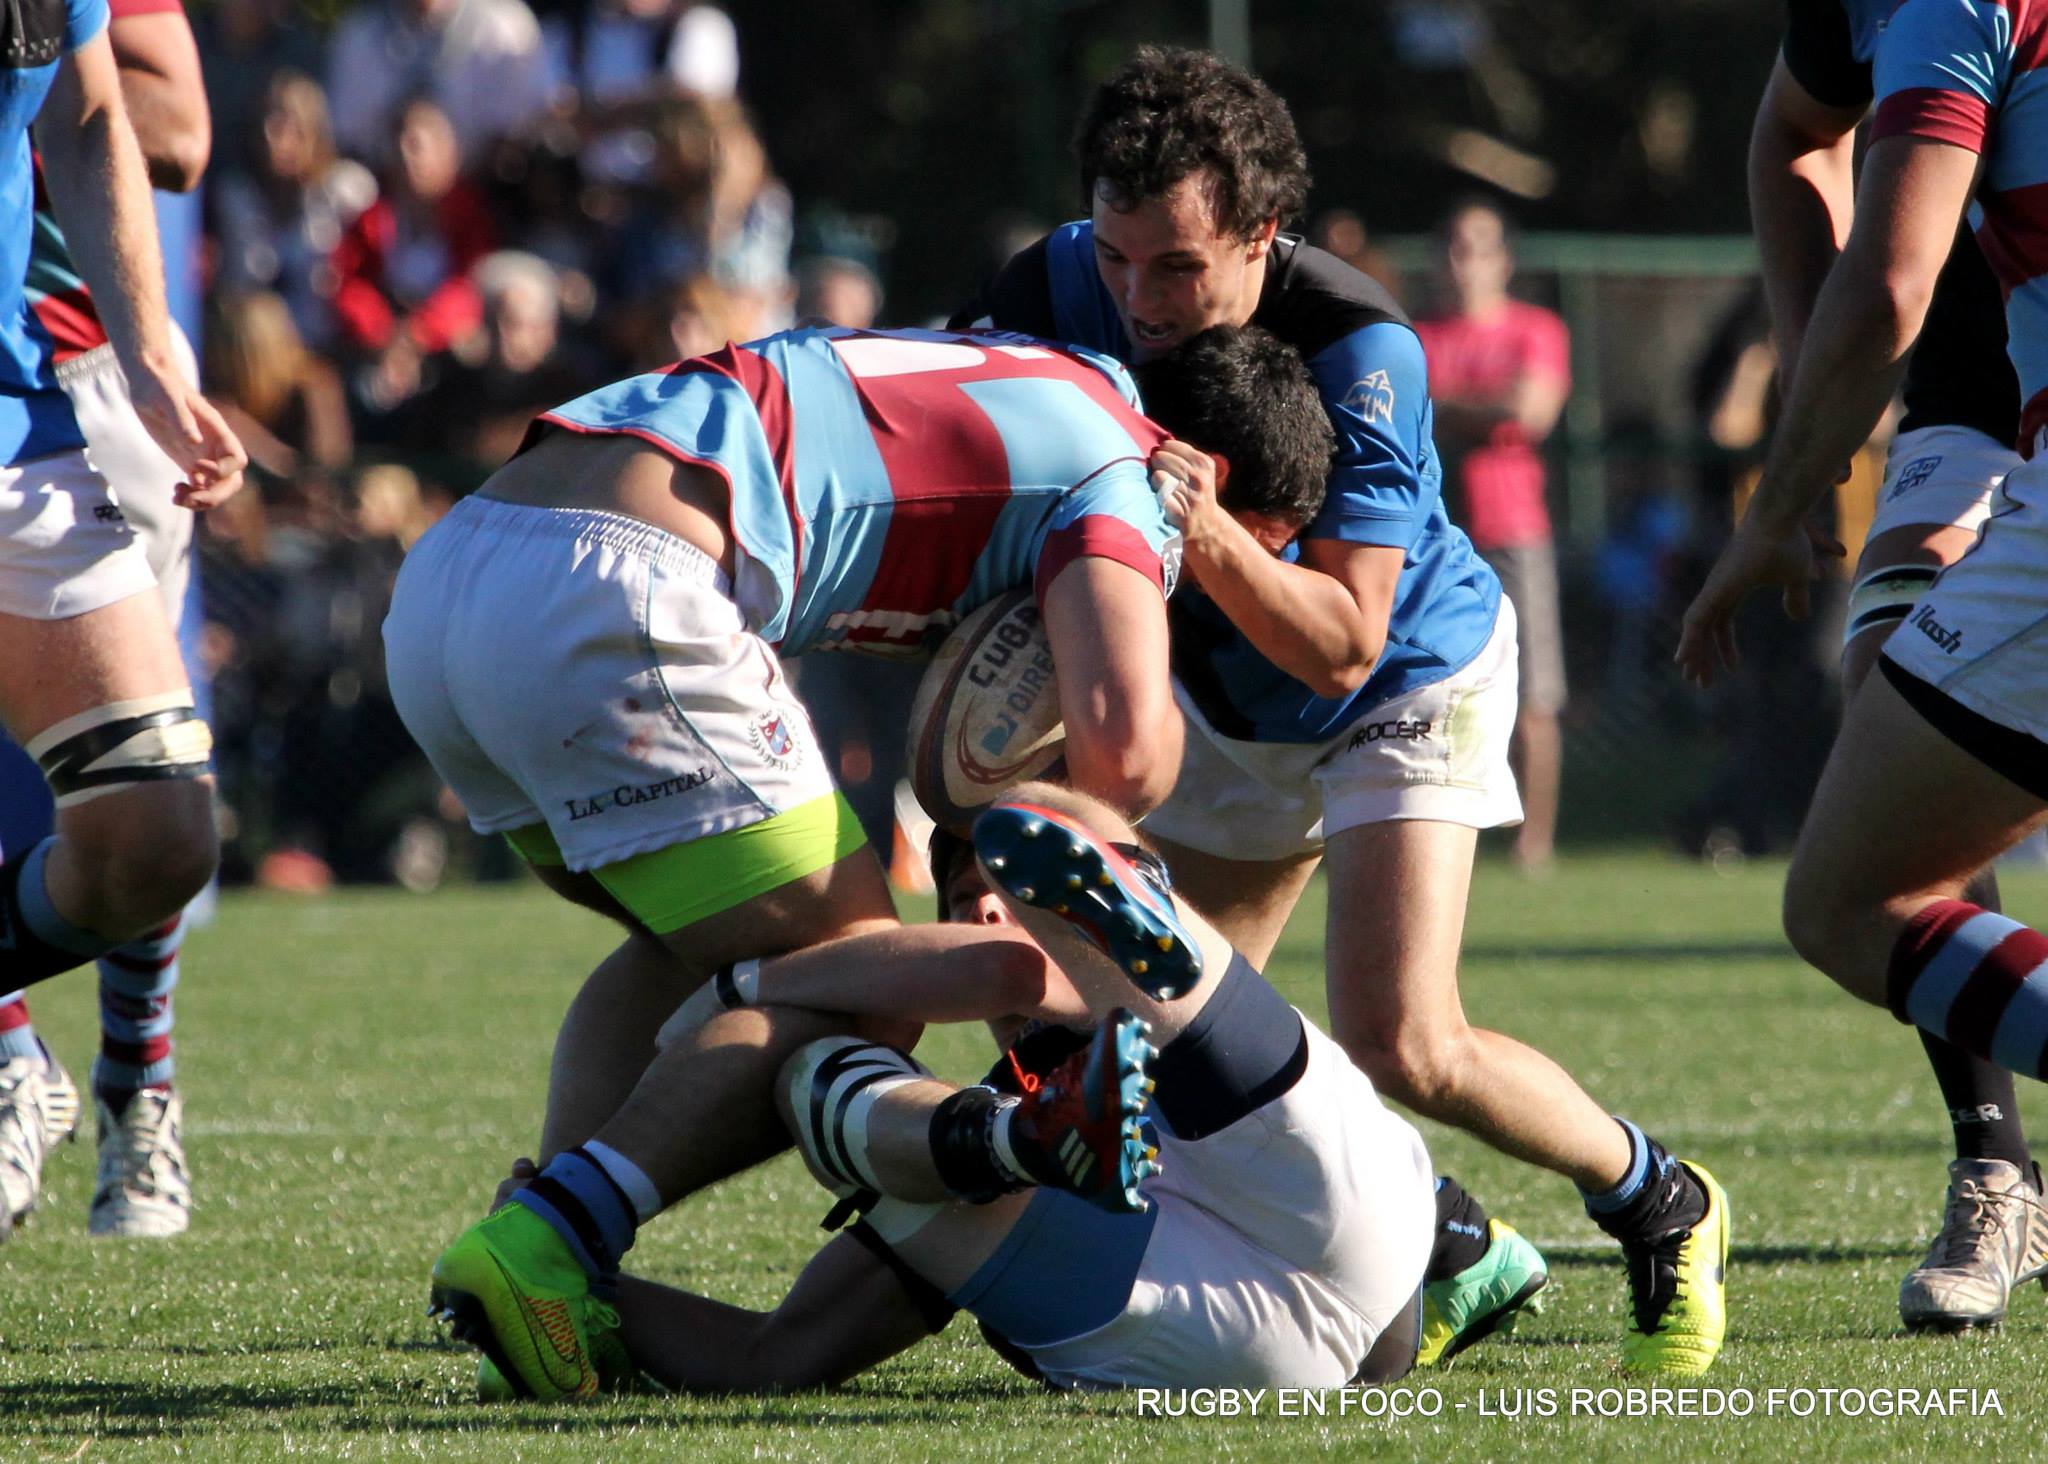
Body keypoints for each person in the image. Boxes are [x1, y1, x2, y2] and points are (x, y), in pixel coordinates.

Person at [954, 45, 1727, 1374]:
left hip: (1400, 677)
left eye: (1177, 267)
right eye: (1117, 255)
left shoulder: (1363, 344)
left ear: (1263, 234)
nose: (1136, 299)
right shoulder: (1050, 283)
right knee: (1155, 1033)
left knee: (1402, 1037)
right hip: (1222, 699)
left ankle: (1661, 1197)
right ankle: (1456, 1241)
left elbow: (1340, 643)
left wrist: (1198, 525)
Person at [389, 321, 1339, 1397]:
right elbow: (1126, 752)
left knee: (694, 942)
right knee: (863, 979)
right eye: (1233, 566)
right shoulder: (1137, 474)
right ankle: (553, 1237)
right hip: (621, 584)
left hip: (457, 569)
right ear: (1215, 484)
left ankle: (546, 1266)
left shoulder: (1057, 372)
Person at [453, 787, 1439, 1395]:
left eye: (1006, 893)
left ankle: (1094, 988)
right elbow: (777, 1356)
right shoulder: (931, 1131)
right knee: (858, 1095)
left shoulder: (1040, 983)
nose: (985, 911)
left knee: (826, 1068)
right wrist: (568, 1296)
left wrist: (741, 984)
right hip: (1260, 1305)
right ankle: (1033, 1128)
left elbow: (1007, 971)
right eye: (965, 899)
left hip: (1274, 1254)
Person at [1681, 0, 2048, 1334]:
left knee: (1852, 886)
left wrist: (1775, 503)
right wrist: (1819, 402)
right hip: (1968, 394)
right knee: (1895, 697)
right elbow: (1792, 135)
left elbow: (1887, 276)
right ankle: (1997, 1171)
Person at [0, 0, 248, 1252]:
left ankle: (133, 1078)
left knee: (154, 830)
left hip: (34, 400)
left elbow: (114, 112)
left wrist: (151, 356)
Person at [1415, 200, 1572, 871]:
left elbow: (1529, 412)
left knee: (1535, 695)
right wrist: (1483, 411)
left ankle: (1533, 843)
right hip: (1431, 535)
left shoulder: (1536, 330)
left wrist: (1447, 409)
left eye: (1479, 248)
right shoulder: (1416, 337)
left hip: (1514, 531)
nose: (1464, 263)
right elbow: (1407, 416)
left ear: (1503, 261)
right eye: (1454, 247)